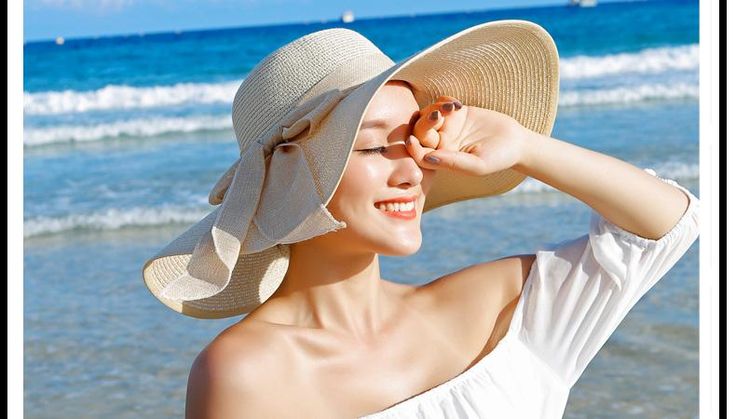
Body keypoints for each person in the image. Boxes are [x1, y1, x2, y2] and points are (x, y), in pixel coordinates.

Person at [142, 21, 699, 419]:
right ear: (290, 181)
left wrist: (526, 147)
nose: (412, 169)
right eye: (371, 148)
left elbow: (665, 227)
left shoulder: (495, 307)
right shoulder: (247, 372)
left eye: (412, 140)